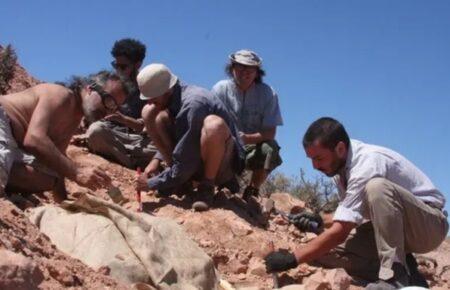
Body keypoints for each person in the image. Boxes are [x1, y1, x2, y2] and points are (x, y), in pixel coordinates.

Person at [264, 117, 448, 289]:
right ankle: (409, 273)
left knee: (377, 187)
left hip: (428, 226)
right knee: (324, 253)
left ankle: (393, 277)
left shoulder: (367, 164)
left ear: (340, 149)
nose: (315, 166)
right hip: (395, 230)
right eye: (311, 159)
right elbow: (351, 215)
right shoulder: (340, 170)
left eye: (319, 158)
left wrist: (292, 259)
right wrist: (319, 220)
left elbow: (341, 231)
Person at [0, 71, 129, 201]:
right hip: (3, 120)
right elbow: (34, 139)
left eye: (114, 108)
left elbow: (57, 162)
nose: (108, 111)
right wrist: (77, 172)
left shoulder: (74, 118)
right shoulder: (62, 95)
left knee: (49, 179)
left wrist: (64, 204)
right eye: (108, 101)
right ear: (90, 88)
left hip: (12, 143)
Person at [135, 63, 245, 211]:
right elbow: (184, 140)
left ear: (167, 90)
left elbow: (187, 158)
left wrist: (152, 183)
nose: (149, 101)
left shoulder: (193, 103)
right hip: (193, 158)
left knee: (214, 126)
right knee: (149, 112)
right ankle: (182, 182)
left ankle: (206, 187)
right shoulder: (174, 97)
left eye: (153, 97)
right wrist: (156, 161)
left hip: (223, 165)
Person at [212, 49, 283, 202]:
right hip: (226, 145)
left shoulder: (268, 94)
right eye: (240, 67)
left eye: (250, 68)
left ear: (257, 72)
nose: (245, 72)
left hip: (252, 147)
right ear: (232, 68)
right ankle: (212, 183)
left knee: (270, 148)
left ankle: (253, 190)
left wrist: (246, 138)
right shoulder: (220, 89)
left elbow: (270, 133)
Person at [86, 38, 156, 169]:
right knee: (95, 131)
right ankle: (132, 162)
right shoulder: (108, 83)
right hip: (112, 134)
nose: (118, 70)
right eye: (115, 65)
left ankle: (122, 158)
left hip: (139, 139)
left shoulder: (148, 87)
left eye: (123, 66)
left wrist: (124, 120)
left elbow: (149, 126)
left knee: (161, 145)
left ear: (138, 64)